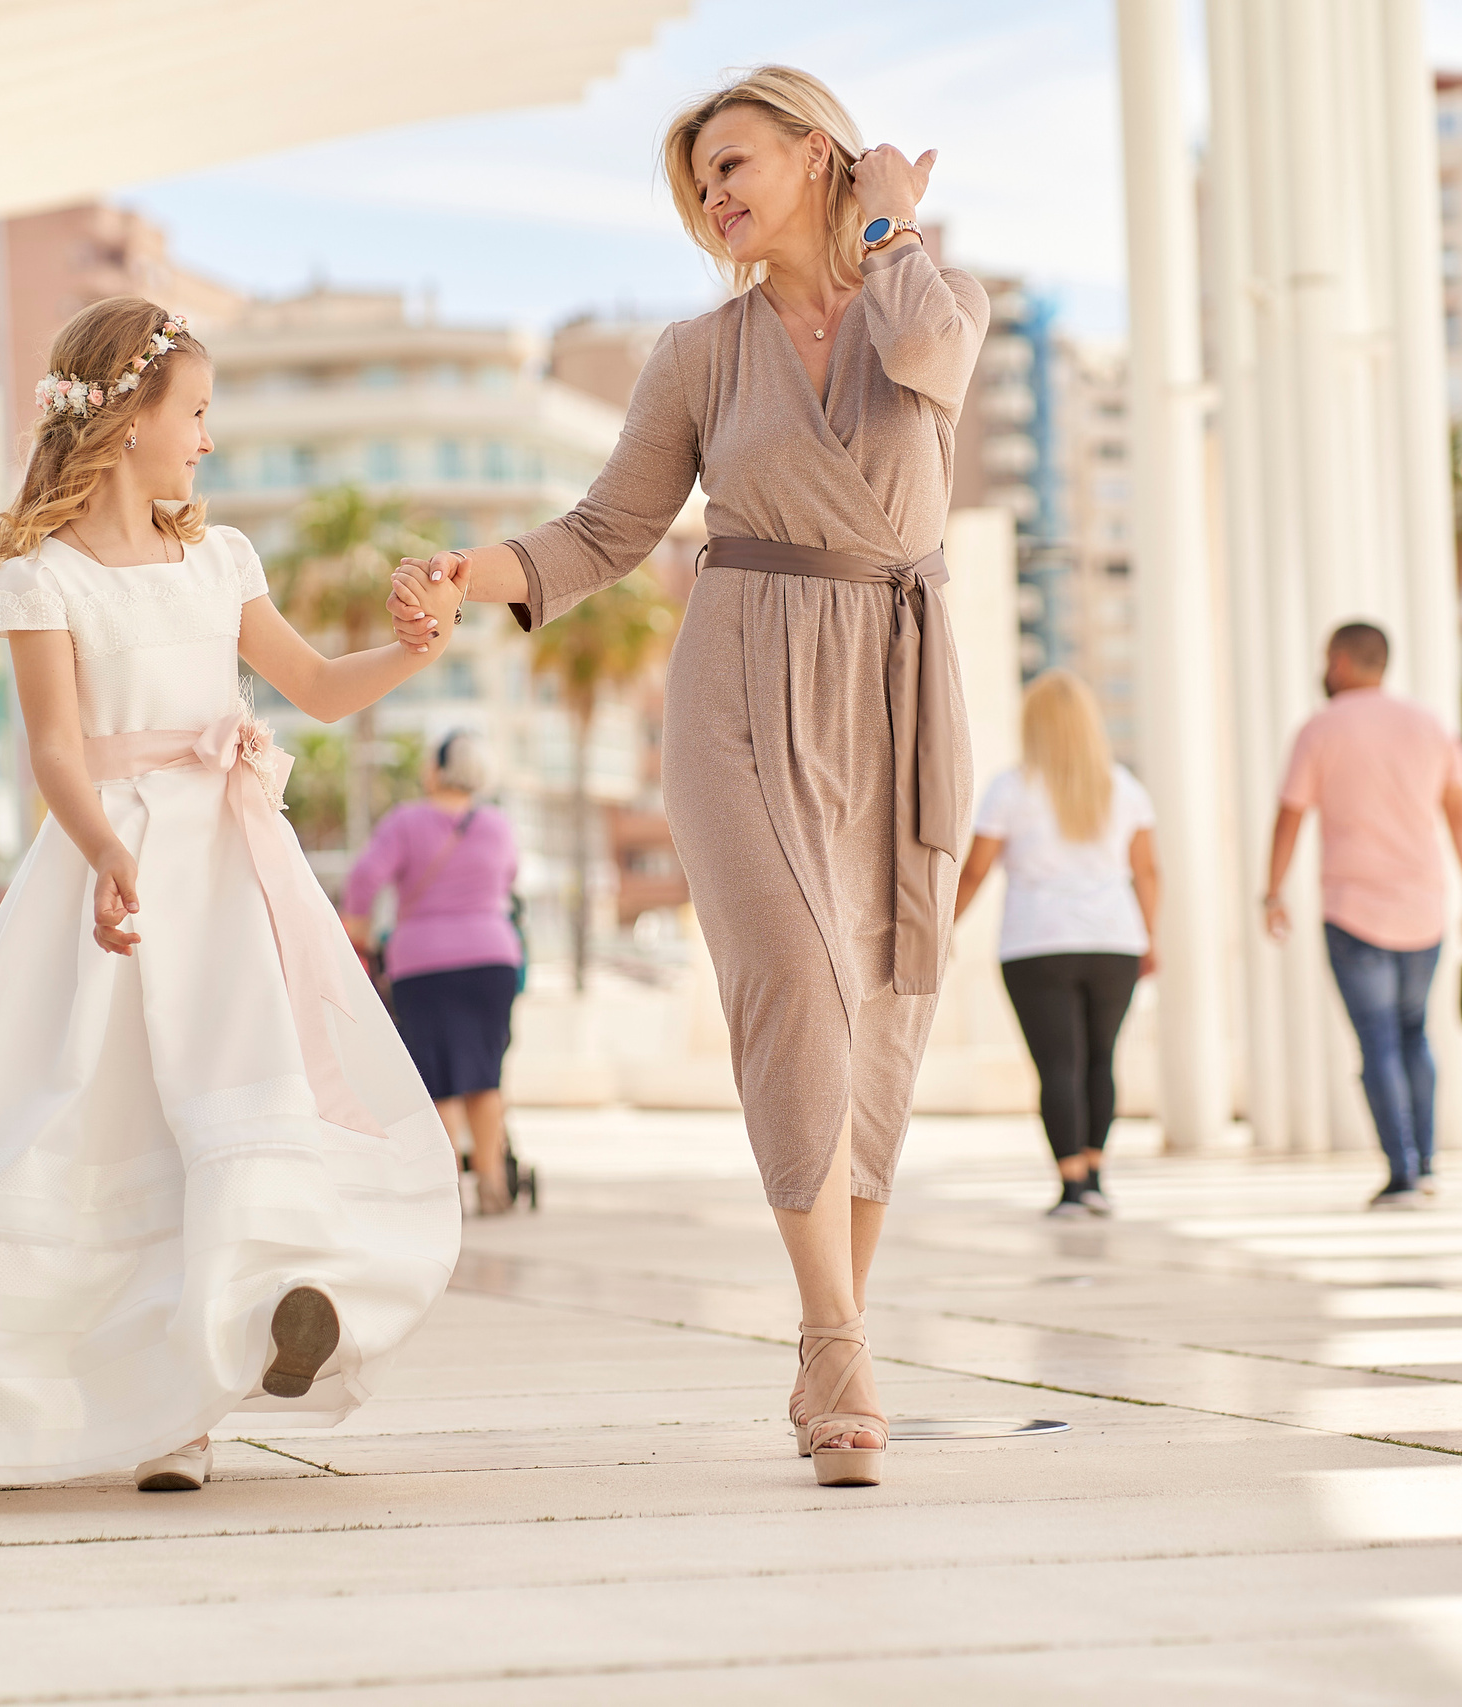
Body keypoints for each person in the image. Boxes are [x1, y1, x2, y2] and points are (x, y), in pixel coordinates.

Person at [391, 66, 988, 1488]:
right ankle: (833, 1332)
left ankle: (834, 1324)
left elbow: (939, 369)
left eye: (734, 163)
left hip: (899, 678)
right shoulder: (696, 353)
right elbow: (607, 528)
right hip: (738, 676)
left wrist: (893, 215)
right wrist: (468, 573)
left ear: (816, 154)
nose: (714, 195)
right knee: (793, 977)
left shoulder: (920, 294)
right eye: (697, 180)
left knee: (887, 1002)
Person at [0, 296, 467, 1508]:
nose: (207, 438)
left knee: (240, 1095)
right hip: (119, 871)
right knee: (113, 1116)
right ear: (128, 417)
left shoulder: (220, 557)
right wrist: (101, 855)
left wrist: (413, 648)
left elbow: (318, 690)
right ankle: (145, 1402)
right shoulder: (40, 573)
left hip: (234, 868)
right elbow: (59, 747)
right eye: (194, 412)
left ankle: (228, 1354)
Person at [1264, 622, 1462, 1211]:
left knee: (1379, 1043)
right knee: (1415, 1035)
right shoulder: (1430, 725)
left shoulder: (1319, 729)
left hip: (1351, 909)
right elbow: (1461, 818)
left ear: (1340, 662)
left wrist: (1272, 891)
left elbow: (1290, 817)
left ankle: (1403, 1174)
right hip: (1424, 907)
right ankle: (1428, 1165)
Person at [954, 670, 1157, 1220]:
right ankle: (1096, 1176)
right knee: (1100, 1060)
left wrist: (942, 926)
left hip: (1036, 944)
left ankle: (1071, 1186)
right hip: (1114, 941)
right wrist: (1151, 938)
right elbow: (1148, 872)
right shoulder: (1124, 787)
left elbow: (974, 871)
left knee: (1058, 1065)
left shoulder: (1011, 788)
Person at [342, 731, 523, 1216]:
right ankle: (491, 1184)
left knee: (436, 1077)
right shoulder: (498, 825)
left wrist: (356, 930)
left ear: (439, 770)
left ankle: (447, 1193)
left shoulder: (406, 821)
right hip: (492, 960)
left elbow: (364, 878)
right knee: (487, 1074)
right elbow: (508, 879)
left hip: (425, 964)